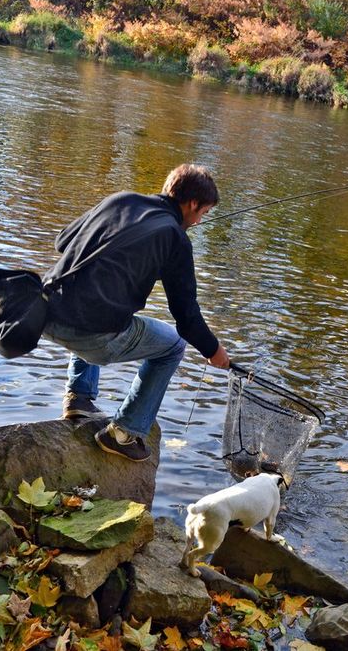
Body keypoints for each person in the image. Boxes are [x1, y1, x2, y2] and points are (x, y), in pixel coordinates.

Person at [43, 164, 230, 462]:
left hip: (46, 312)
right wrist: (213, 350)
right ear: (193, 203)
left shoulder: (120, 200)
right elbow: (186, 318)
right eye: (203, 213)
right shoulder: (176, 240)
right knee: (173, 346)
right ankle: (124, 432)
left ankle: (79, 396)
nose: (198, 221)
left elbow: (63, 241)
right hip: (93, 334)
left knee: (93, 292)